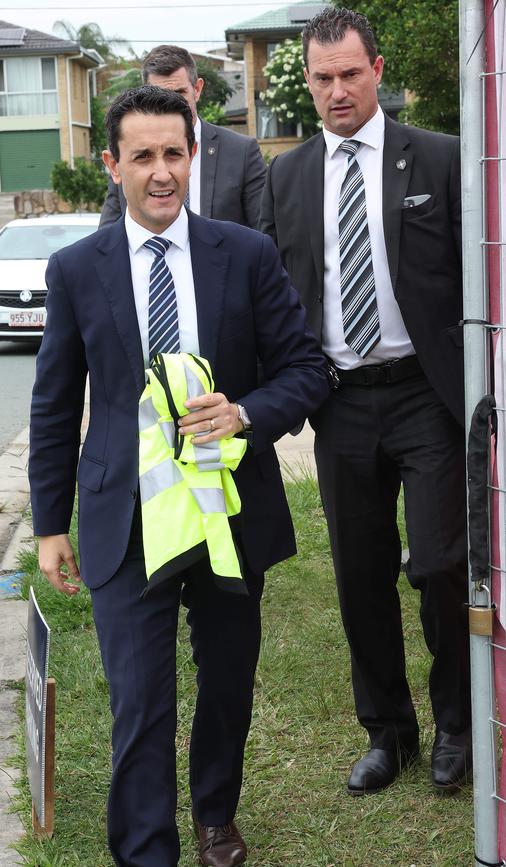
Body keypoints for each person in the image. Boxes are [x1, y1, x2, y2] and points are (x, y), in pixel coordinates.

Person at [30, 85, 329, 866]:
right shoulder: (75, 269)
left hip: (228, 509)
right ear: (112, 165)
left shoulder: (246, 254)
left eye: (174, 154)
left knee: (228, 682)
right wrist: (50, 523)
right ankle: (144, 847)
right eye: (142, 157)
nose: (160, 173)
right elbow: (55, 403)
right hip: (124, 517)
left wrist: (245, 413)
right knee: (139, 698)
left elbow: (305, 368)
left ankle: (215, 814)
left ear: (193, 156)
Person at [260, 7, 471, 796]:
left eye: (351, 73)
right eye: (322, 78)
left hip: (426, 393)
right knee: (360, 573)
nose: (338, 90)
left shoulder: (442, 159)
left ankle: (456, 723)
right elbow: (280, 291)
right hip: (341, 401)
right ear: (308, 84)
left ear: (378, 71)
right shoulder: (286, 176)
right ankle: (390, 733)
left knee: (442, 562)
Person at [99, 44, 266, 229]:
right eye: (160, 95)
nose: (171, 103)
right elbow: (107, 237)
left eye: (180, 93)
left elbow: (263, 231)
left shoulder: (241, 151)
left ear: (197, 89)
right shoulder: (129, 157)